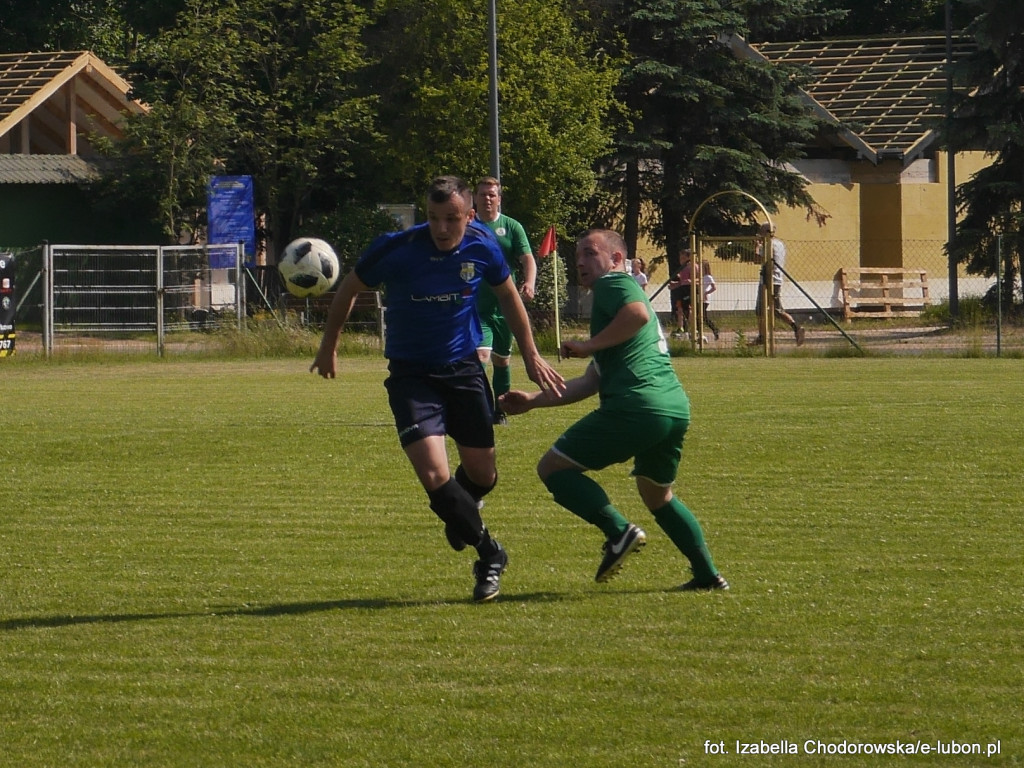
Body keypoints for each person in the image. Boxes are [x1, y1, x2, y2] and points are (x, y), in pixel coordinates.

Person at [310, 175, 565, 602]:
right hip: (412, 375)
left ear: (469, 215)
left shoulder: (482, 245)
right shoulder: (399, 246)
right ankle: (490, 554)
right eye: (433, 218)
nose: (442, 229)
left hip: (464, 370)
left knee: (483, 477)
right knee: (434, 474)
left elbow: (508, 297)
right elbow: (351, 286)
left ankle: (460, 514)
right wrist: (328, 345)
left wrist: (531, 354)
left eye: (451, 219)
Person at [499, 229, 728, 591]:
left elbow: (636, 314)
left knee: (553, 468)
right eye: (577, 256)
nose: (580, 262)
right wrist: (532, 400)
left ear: (617, 260)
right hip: (672, 408)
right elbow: (591, 382)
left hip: (637, 405)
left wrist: (589, 345)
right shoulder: (612, 309)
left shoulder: (613, 285)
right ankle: (707, 574)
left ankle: (619, 532)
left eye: (590, 253)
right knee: (657, 495)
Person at [472, 177, 537, 425]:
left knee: (502, 360)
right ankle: (480, 407)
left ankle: (499, 409)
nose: (487, 198)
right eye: (483, 194)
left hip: (506, 307)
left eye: (492, 194)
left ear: (499, 198)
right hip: (478, 307)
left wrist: (529, 283)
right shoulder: (468, 226)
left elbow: (527, 259)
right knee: (481, 357)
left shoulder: (511, 227)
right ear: (475, 198)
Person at [755, 222, 805, 346]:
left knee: (760, 310)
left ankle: (762, 337)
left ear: (766, 232)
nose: (759, 233)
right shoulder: (779, 244)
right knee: (777, 310)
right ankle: (796, 328)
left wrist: (756, 247)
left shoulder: (768, 245)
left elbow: (758, 259)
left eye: (761, 231)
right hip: (777, 279)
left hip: (768, 280)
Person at [667, 249, 694, 338]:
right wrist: (675, 285)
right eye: (680, 258)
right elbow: (682, 281)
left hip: (688, 290)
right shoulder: (681, 268)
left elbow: (695, 280)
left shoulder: (693, 267)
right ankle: (680, 327)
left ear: (689, 258)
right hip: (681, 291)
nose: (681, 260)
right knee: (679, 309)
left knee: (689, 309)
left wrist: (682, 282)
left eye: (683, 258)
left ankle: (693, 328)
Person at [700, 260, 720, 341]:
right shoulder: (700, 277)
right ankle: (713, 330)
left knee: (703, 316)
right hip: (700, 298)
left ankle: (715, 329)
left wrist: (706, 293)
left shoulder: (708, 277)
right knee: (701, 316)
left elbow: (714, 287)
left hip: (705, 298)